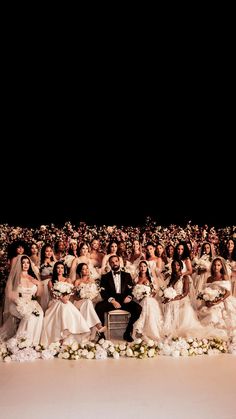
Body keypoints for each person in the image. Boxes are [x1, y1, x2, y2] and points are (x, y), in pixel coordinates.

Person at [40, 261, 90, 347]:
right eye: (58, 268)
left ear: (64, 270)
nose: (60, 270)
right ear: (55, 269)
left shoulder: (68, 280)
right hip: (55, 301)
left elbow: (71, 293)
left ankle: (67, 336)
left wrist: (65, 298)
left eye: (62, 268)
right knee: (61, 307)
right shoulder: (51, 281)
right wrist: (61, 298)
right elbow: (52, 295)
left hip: (66, 300)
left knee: (66, 307)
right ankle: (59, 338)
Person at [95, 255, 142, 342]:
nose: (114, 263)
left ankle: (127, 332)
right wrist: (112, 301)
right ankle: (101, 335)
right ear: (109, 264)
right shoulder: (105, 277)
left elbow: (131, 289)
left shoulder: (127, 275)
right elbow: (103, 292)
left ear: (119, 262)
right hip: (111, 301)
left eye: (116, 261)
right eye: (112, 262)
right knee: (98, 307)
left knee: (138, 308)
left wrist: (129, 297)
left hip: (124, 300)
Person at [0, 255, 43, 346]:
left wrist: (39, 284)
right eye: (23, 263)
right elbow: (10, 295)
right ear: (19, 264)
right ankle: (21, 342)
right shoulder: (15, 277)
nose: (25, 264)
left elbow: (38, 295)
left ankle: (34, 343)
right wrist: (21, 304)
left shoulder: (32, 278)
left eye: (27, 262)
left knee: (40, 314)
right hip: (17, 304)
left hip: (32, 303)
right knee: (29, 316)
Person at [198, 257, 236, 337]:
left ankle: (218, 334)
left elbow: (228, 292)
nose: (216, 267)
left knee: (214, 314)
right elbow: (206, 292)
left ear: (222, 266)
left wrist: (219, 301)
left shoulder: (224, 276)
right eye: (214, 265)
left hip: (222, 300)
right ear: (212, 266)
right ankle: (208, 334)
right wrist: (207, 301)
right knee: (206, 311)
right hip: (211, 300)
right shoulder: (209, 278)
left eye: (218, 265)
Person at [74, 263, 106, 341]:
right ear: (80, 271)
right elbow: (74, 296)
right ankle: (98, 326)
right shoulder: (77, 281)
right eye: (84, 269)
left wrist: (91, 298)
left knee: (89, 304)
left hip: (90, 302)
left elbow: (96, 294)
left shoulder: (92, 280)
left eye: (87, 268)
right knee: (88, 303)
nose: (86, 270)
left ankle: (90, 335)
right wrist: (83, 297)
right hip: (78, 302)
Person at [132, 261, 163, 341]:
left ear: (147, 267)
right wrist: (139, 296)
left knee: (147, 301)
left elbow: (155, 291)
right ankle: (140, 330)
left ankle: (145, 330)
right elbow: (133, 291)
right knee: (146, 302)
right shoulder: (136, 279)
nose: (143, 268)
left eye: (144, 266)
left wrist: (147, 295)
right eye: (141, 266)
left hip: (150, 299)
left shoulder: (151, 278)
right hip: (139, 301)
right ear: (139, 268)